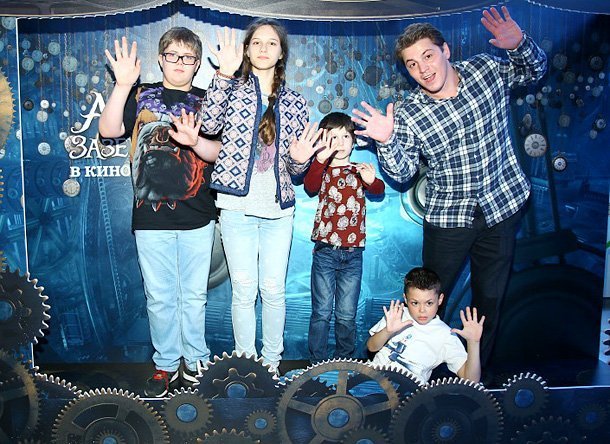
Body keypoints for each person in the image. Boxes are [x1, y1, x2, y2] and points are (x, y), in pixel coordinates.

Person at [352, 6, 547, 366]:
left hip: (502, 207)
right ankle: (421, 374)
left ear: (445, 50)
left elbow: (534, 70)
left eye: (428, 56)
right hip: (448, 219)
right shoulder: (410, 112)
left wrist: (519, 44)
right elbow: (402, 173)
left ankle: (475, 381)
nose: (423, 69)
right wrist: (387, 140)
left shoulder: (485, 70)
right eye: (412, 64)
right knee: (426, 302)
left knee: (488, 304)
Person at [98, 28, 220, 397]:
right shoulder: (140, 94)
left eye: (188, 57)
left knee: (194, 296)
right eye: (172, 55)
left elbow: (218, 151)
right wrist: (122, 85)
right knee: (160, 296)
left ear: (197, 63)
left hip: (198, 213)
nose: (180, 63)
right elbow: (108, 130)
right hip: (150, 217)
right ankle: (166, 364)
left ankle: (196, 362)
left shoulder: (208, 100)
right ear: (160, 58)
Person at [198, 19, 315, 374]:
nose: (264, 48)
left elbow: (296, 171)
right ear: (247, 50)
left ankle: (272, 365)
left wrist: (300, 159)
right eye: (257, 42)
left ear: (281, 53)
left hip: (279, 211)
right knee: (244, 291)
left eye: (272, 43)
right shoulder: (231, 89)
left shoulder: (296, 102)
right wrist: (223, 76)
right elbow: (208, 126)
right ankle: (248, 367)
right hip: (236, 208)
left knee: (274, 290)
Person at [301, 112, 385, 362]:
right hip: (325, 252)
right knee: (321, 313)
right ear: (323, 140)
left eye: (345, 136)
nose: (340, 142)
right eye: (333, 137)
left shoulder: (359, 170)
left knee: (346, 315)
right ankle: (316, 362)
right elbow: (310, 186)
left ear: (353, 141)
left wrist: (371, 181)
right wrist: (320, 159)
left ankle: (344, 362)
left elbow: (378, 189)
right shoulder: (322, 169)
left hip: (353, 254)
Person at [367, 267, 484, 384]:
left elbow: (471, 380)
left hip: (407, 393)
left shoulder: (446, 335)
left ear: (440, 299)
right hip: (370, 381)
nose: (422, 310)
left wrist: (473, 343)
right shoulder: (397, 315)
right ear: (406, 299)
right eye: (415, 303)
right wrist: (387, 331)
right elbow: (371, 347)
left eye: (429, 303)